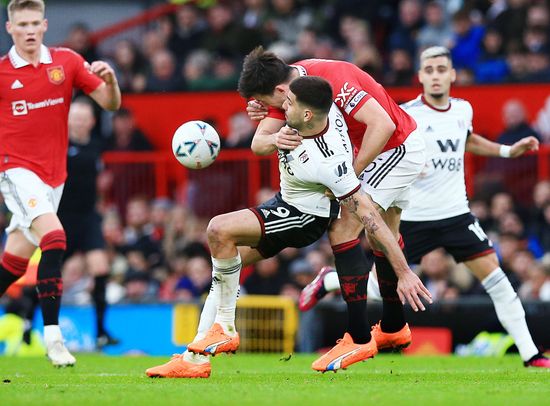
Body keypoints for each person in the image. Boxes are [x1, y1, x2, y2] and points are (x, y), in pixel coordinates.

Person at [145, 76, 428, 378]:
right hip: (284, 202)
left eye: (288, 104)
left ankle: (225, 328)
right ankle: (194, 359)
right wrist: (262, 106)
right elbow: (267, 128)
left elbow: (370, 218)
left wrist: (404, 272)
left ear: (306, 114)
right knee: (226, 265)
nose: (282, 107)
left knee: (218, 230)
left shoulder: (330, 163)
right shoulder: (313, 115)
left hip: (302, 215)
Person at [300, 46, 550, 368]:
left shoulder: (463, 109)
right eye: (429, 70)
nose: (435, 76)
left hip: (456, 213)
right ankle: (331, 281)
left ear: (452, 75)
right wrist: (407, 161)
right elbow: (383, 143)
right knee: (380, 287)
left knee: (497, 279)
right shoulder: (406, 113)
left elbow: (467, 139)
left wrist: (506, 151)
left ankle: (531, 355)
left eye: (441, 69)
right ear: (420, 76)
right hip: (414, 216)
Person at [240, 46, 430, 362]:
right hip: (377, 149)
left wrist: (350, 177)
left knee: (344, 229)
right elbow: (258, 144)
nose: (270, 109)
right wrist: (274, 137)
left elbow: (382, 125)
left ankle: (358, 337)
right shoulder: (292, 88)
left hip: (394, 148)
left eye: (268, 102)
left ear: (280, 91)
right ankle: (394, 327)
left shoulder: (334, 80)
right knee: (383, 234)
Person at [0, 0, 121, 367]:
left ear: (45, 24)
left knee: (15, 261)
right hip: (16, 171)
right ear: (11, 29)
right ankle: (54, 340)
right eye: (22, 24)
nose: (30, 30)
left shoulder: (66, 62)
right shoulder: (2, 73)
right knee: (55, 238)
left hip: (54, 179)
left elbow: (110, 104)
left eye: (35, 23)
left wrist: (112, 81)